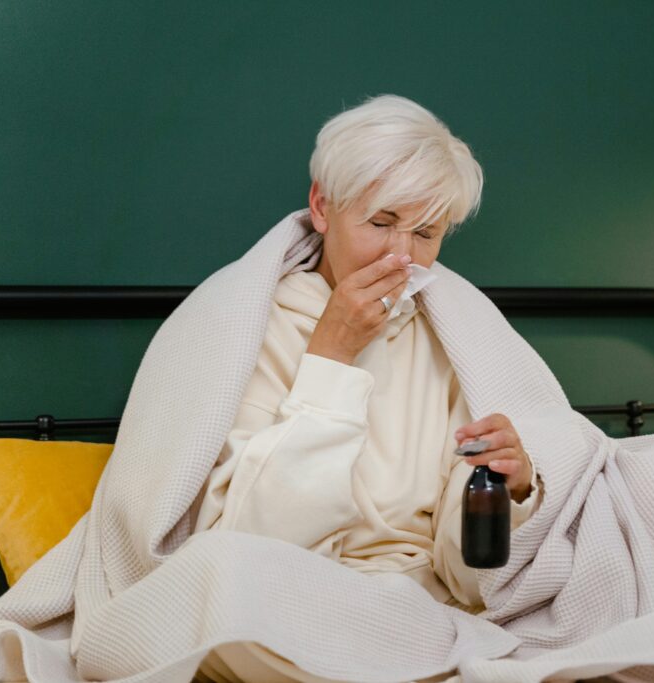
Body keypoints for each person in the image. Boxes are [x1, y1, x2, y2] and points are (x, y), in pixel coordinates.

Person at [191, 94, 544, 683]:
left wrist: (511, 490)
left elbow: (469, 580)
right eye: (380, 223)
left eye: (427, 234)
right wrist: (331, 355)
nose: (402, 257)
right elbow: (254, 544)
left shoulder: (457, 338)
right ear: (322, 207)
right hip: (286, 600)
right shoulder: (245, 325)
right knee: (223, 606)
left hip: (423, 607)